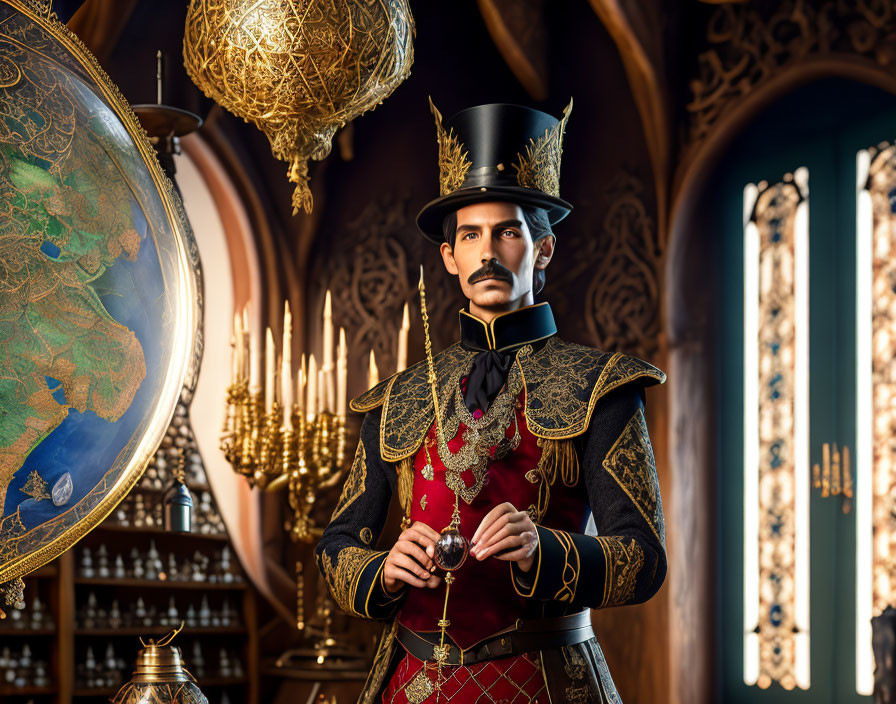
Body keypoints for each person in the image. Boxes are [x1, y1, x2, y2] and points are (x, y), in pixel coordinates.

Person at [316, 98, 666, 704]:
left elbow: (643, 559)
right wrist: (383, 568)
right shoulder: (397, 397)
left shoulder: (600, 385)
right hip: (412, 683)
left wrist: (545, 550)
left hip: (542, 680)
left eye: (508, 232)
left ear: (543, 250)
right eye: (470, 236)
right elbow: (336, 548)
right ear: (449, 257)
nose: (486, 253)